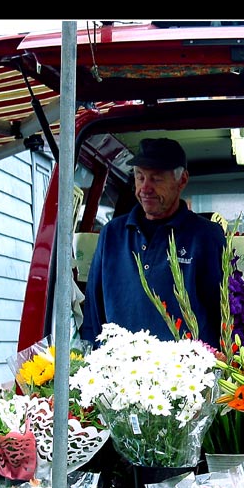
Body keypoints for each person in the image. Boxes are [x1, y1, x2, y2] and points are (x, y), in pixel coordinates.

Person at [80, 137, 226, 349]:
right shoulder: (112, 234)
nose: (145, 188)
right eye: (140, 177)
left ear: (182, 180)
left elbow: (222, 313)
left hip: (187, 373)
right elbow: (93, 312)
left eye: (156, 179)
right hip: (120, 370)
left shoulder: (206, 236)